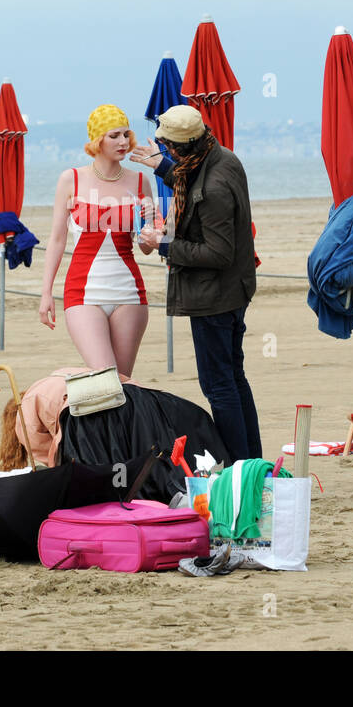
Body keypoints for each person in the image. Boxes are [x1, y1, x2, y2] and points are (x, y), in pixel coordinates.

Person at [129, 105, 261, 463]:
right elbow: (194, 178)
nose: (166, 151)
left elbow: (218, 252)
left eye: (169, 148)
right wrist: (162, 167)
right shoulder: (222, 158)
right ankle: (251, 461)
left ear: (182, 147)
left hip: (214, 297)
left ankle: (238, 465)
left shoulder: (216, 184)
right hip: (233, 291)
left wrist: (165, 244)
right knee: (233, 378)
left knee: (219, 387)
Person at [39, 105, 153, 377]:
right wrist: (46, 293)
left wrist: (150, 220)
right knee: (104, 376)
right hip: (83, 292)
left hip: (129, 292)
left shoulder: (140, 182)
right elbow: (56, 239)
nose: (123, 142)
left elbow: (147, 247)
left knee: (123, 382)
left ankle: (124, 422)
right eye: (114, 135)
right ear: (97, 139)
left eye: (126, 134)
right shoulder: (71, 179)